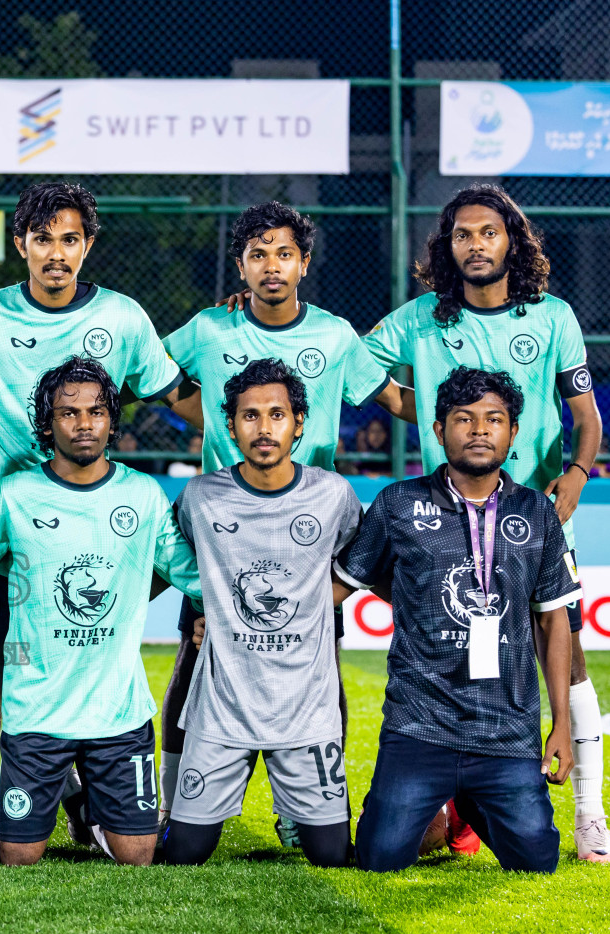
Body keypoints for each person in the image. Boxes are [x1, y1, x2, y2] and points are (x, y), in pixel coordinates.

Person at [0, 182, 203, 848]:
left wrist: (239, 411)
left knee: (89, 651)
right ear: (21, 243)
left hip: (94, 523)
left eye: (71, 240)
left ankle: (92, 788)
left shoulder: (123, 318)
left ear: (87, 246)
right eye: (43, 239)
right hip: (8, 524)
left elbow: (179, 396)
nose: (57, 253)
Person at [362, 184, 610, 863]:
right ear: (448, 247)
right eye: (462, 235)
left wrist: (579, 475)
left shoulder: (553, 316)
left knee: (566, 652)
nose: (475, 244)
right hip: (445, 525)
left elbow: (587, 417)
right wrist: (418, 410)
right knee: (447, 653)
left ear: (512, 241)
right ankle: (464, 797)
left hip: (532, 522)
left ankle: (590, 812)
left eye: (488, 233)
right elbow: (356, 366)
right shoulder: (420, 319)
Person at [164, 201, 415, 850]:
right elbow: (157, 379)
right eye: (256, 253)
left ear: (304, 263)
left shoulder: (333, 336)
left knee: (317, 679)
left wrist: (479, 413)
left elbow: (392, 400)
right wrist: (215, 426)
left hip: (309, 547)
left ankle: (301, 811)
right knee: (197, 669)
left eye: (282, 253)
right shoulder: (208, 330)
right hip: (223, 543)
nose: (270, 265)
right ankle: (173, 804)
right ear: (240, 264)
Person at [337, 368, 581, 873]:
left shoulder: (536, 513)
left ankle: (469, 801)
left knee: (538, 862)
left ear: (513, 433)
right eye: (463, 419)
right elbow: (340, 584)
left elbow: (554, 621)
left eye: (494, 419)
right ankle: (428, 802)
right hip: (419, 725)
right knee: (379, 859)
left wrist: (561, 723)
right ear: (438, 430)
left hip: (506, 730)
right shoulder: (398, 504)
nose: (478, 430)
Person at [0, 356, 200, 866]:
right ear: (47, 423)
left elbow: (190, 573)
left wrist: (206, 609)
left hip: (117, 711)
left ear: (111, 420)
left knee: (139, 857)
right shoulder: (14, 494)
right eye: (69, 413)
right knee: (18, 857)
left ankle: (87, 802)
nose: (84, 424)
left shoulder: (142, 496)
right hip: (37, 710)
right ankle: (20, 813)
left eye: (97, 412)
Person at [162, 360, 359, 868]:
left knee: (332, 855)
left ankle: (299, 812)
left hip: (305, 710)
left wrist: (314, 604)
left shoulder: (332, 495)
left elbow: (357, 566)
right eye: (250, 416)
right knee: (185, 853)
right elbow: (177, 563)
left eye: (277, 414)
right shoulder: (201, 499)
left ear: (299, 422)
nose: (264, 427)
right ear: (230, 426)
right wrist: (209, 610)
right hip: (223, 708)